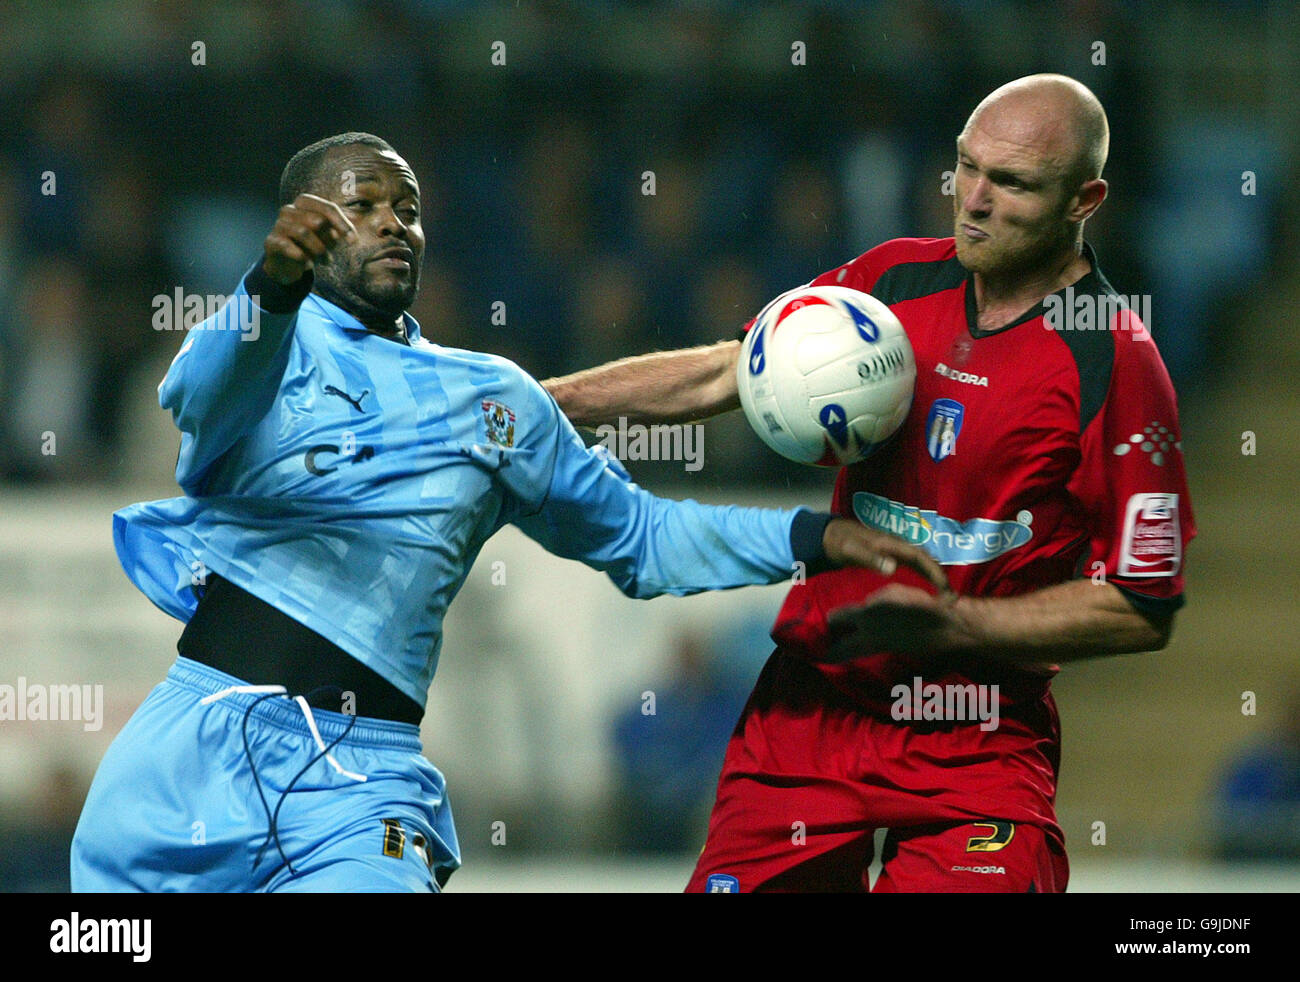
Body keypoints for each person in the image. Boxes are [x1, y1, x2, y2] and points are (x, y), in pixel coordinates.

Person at [70, 133, 947, 893]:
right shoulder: (261, 343)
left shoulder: (494, 399)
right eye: (360, 204)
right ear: (301, 223)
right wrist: (268, 286)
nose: (390, 222)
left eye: (406, 208)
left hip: (361, 780)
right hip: (192, 744)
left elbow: (641, 538)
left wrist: (810, 534)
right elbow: (198, 399)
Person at [543, 75, 1197, 892]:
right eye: (967, 168)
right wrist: (542, 404)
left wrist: (953, 625)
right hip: (813, 714)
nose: (976, 200)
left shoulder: (1117, 364)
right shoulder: (890, 282)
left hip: (978, 739)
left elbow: (1143, 603)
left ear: (1084, 198)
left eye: (1014, 183)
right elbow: (723, 372)